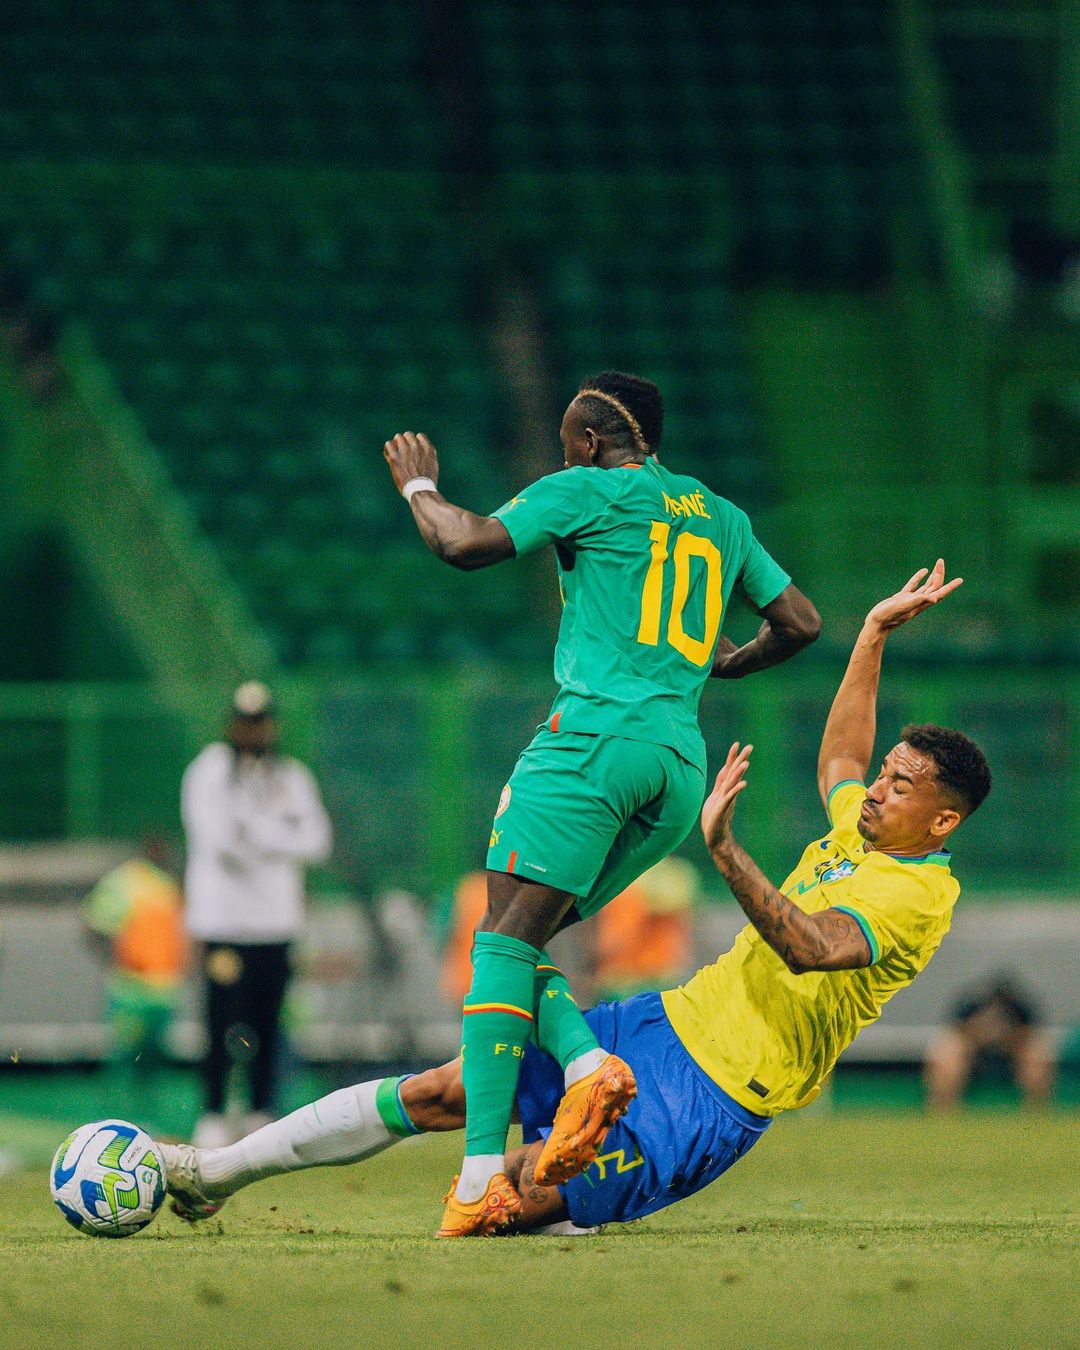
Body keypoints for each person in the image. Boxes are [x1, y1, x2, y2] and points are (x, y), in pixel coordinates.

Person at [160, 561, 988, 1236]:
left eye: (901, 784)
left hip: (719, 1094)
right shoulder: (864, 826)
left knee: (520, 1197)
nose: (877, 788)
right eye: (888, 772)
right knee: (446, 1089)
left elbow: (808, 946)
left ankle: (557, 1204)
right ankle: (214, 1172)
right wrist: (873, 634)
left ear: (942, 819)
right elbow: (842, 757)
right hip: (662, 1022)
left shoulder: (916, 895)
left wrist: (727, 854)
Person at [382, 371, 821, 1235]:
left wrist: (417, 485)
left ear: (588, 443)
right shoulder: (718, 514)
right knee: (518, 947)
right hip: (675, 765)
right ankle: (586, 1064)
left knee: (501, 941)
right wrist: (723, 664)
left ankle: (479, 1177)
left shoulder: (583, 489)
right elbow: (801, 622)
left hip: (591, 744)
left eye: (564, 440)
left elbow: (464, 544)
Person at [182, 681, 333, 1147]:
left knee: (269, 1022)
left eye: (260, 722)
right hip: (223, 923)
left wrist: (257, 832)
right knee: (221, 1021)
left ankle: (259, 1111)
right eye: (245, 722)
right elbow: (221, 843)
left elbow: (317, 841)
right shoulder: (208, 771)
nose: (253, 731)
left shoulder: (291, 777)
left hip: (275, 924)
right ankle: (212, 1111)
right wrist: (277, 837)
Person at [82, 835, 188, 1127]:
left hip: (164, 990)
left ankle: (146, 1125)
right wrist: (120, 962)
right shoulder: (123, 882)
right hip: (131, 990)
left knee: (152, 1062)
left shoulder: (168, 886)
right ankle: (107, 1124)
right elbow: (94, 926)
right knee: (124, 1059)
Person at [924, 976, 1056, 1110]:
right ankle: (942, 1112)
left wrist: (1005, 1038)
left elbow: (1028, 1032)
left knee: (1036, 1054)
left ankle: (1036, 1112)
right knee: (947, 1052)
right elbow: (958, 1029)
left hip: (1011, 1052)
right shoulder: (971, 1005)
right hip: (973, 1051)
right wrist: (981, 1034)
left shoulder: (1019, 1008)